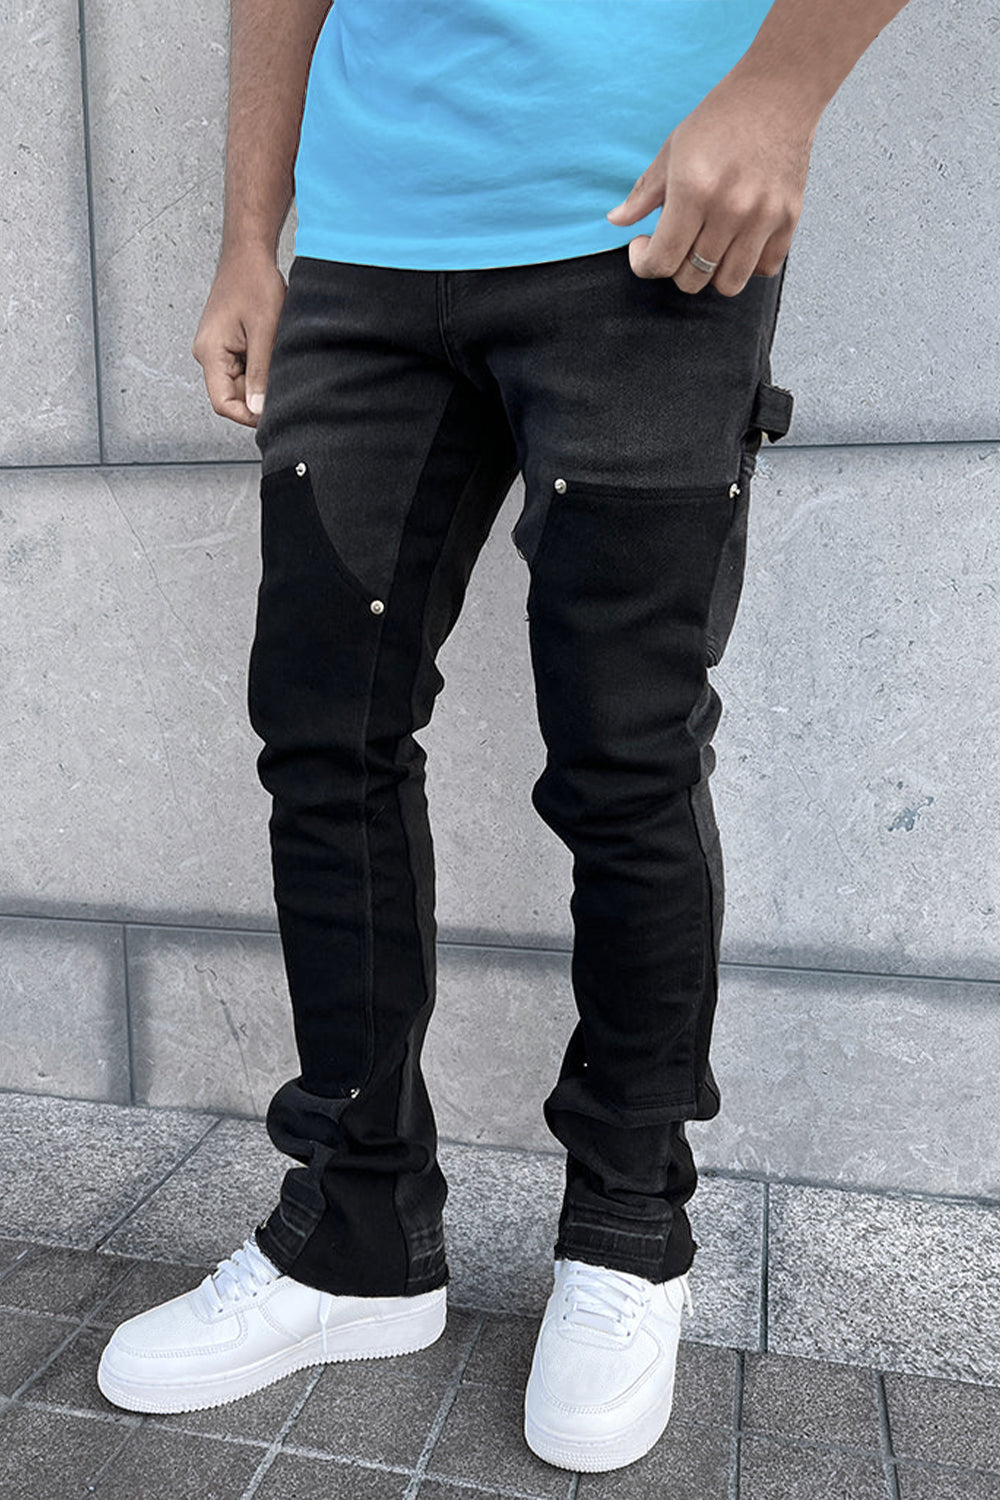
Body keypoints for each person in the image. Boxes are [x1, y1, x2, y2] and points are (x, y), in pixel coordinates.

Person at [96, 0, 913, 1472]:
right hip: (365, 247)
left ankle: (625, 1234)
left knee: (627, 757)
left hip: (647, 226)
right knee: (323, 743)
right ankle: (354, 1238)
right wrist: (249, 237)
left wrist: (783, 86)